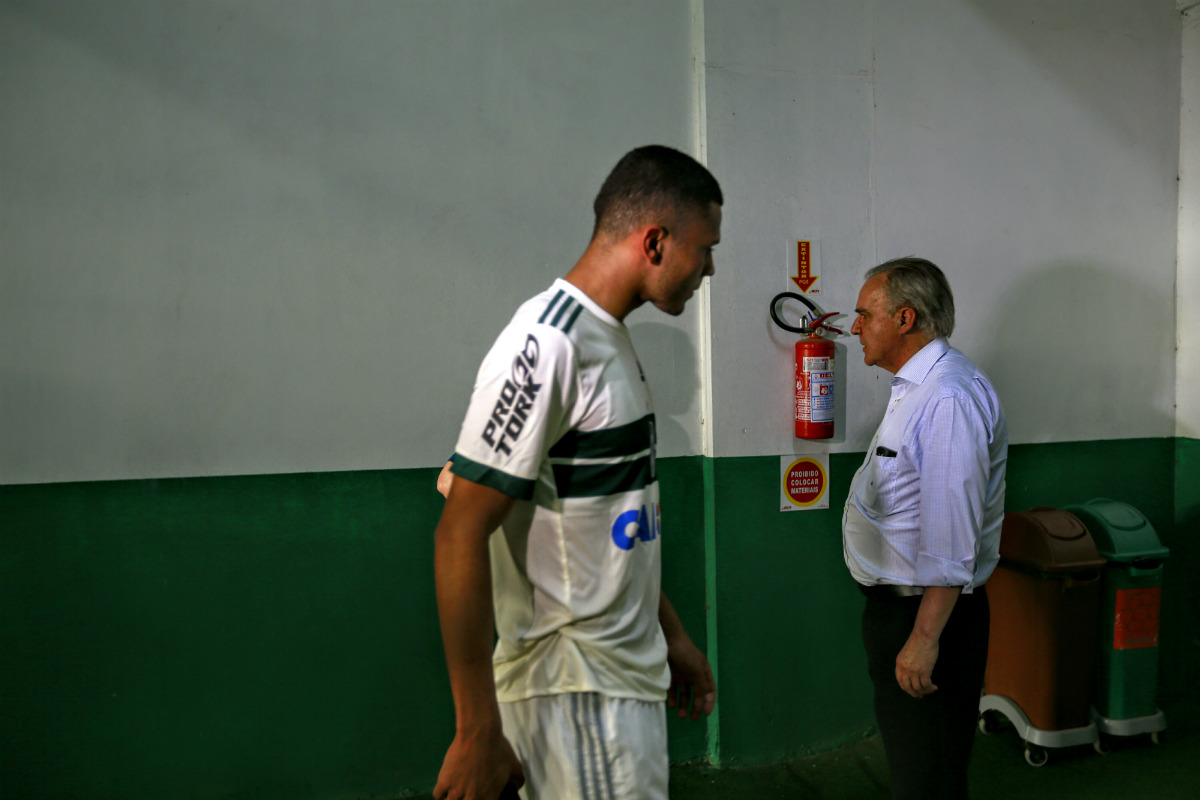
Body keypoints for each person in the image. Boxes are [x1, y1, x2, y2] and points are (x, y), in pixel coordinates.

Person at [432, 145, 722, 800]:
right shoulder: (550, 344)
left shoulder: (608, 338)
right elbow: (459, 533)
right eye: (704, 249)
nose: (709, 268)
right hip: (577, 700)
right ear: (655, 241)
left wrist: (669, 633)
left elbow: (613, 526)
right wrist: (476, 728)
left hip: (620, 685)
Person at [842, 257, 1008, 800]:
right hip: (904, 611)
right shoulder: (916, 389)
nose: (855, 326)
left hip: (930, 618)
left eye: (866, 314)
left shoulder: (947, 397)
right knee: (918, 770)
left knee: (928, 778)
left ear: (905, 318)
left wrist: (923, 639)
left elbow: (951, 538)